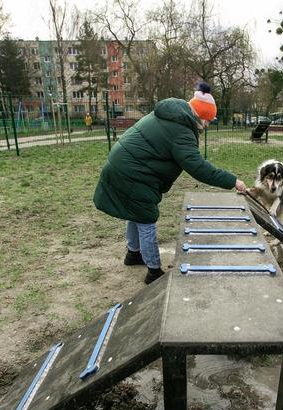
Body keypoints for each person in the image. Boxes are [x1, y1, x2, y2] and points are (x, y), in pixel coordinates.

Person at [93, 82, 247, 284]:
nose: (208, 125)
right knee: (146, 217)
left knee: (135, 212)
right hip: (133, 171)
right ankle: (153, 272)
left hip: (122, 164)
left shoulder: (173, 115)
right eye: (208, 120)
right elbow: (198, 167)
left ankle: (133, 254)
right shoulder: (181, 129)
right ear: (199, 115)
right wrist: (233, 181)